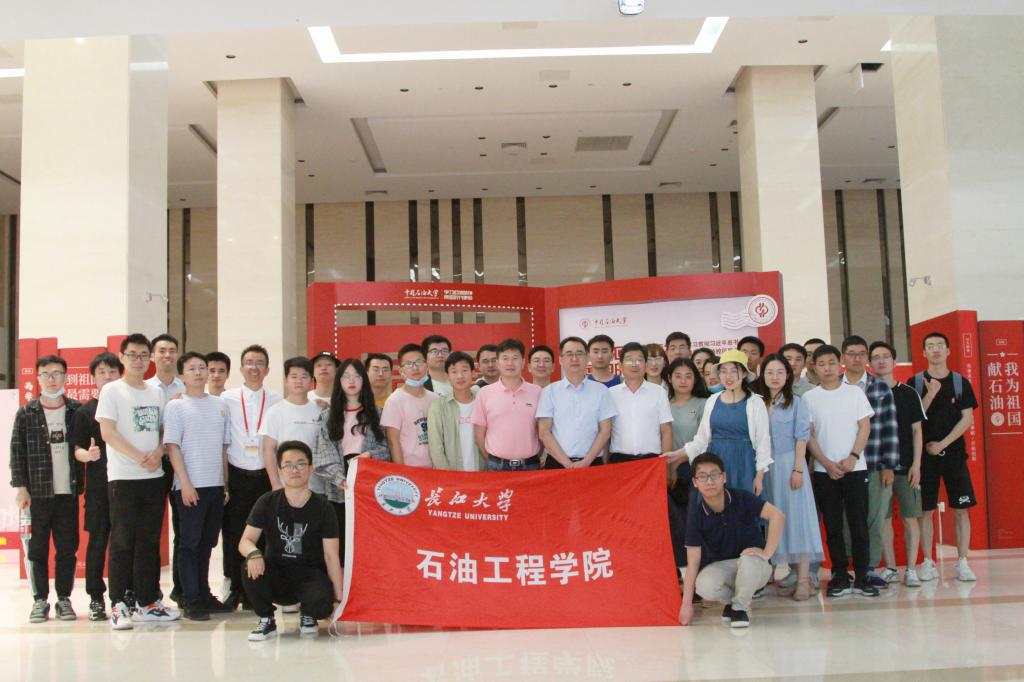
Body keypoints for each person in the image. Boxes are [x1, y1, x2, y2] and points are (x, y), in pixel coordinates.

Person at [97, 333, 180, 629]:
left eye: (143, 355)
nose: (138, 360)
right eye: (132, 355)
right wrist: (139, 456)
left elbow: (162, 429)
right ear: (122, 357)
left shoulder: (155, 392)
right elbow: (108, 432)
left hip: (153, 477)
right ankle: (119, 604)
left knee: (148, 542)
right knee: (122, 541)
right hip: (124, 477)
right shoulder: (112, 390)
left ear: (150, 358)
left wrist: (157, 453)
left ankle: (147, 602)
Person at [240, 441, 343, 641]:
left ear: (310, 469)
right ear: (280, 471)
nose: (294, 470)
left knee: (321, 604)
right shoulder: (267, 501)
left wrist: (338, 599)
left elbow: (331, 556)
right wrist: (253, 553)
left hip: (309, 576)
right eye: (288, 465)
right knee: (248, 566)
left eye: (301, 464)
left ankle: (309, 613)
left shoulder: (323, 507)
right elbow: (246, 540)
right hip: (277, 575)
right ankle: (266, 619)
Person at [10, 354, 83, 623]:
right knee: (37, 550)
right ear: (38, 378)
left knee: (67, 549)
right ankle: (39, 600)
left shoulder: (76, 410)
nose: (51, 379)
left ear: (65, 376)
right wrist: (21, 487)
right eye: (46, 374)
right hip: (37, 494)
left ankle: (64, 599)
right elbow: (17, 452)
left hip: (67, 493)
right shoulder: (26, 412)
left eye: (57, 373)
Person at [803, 344, 878, 598]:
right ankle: (840, 575)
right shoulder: (809, 398)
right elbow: (809, 435)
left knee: (859, 524)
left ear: (839, 364)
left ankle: (863, 575)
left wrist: (853, 457)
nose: (827, 368)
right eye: (821, 364)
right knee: (833, 526)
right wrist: (825, 463)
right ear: (815, 367)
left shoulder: (854, 393)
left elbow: (865, 427)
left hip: (855, 468)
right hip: (824, 471)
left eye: (831, 363)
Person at [679, 453, 786, 629]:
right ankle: (736, 601)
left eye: (714, 474)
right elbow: (693, 563)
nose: (709, 481)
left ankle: (739, 609)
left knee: (749, 561)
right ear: (695, 482)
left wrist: (768, 552)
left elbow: (777, 516)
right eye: (703, 476)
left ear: (724, 477)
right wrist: (686, 605)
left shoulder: (741, 498)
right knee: (703, 585)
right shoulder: (695, 516)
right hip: (725, 568)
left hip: (755, 565)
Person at [163, 352, 232, 621]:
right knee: (189, 544)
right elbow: (172, 447)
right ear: (181, 375)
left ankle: (204, 593)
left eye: (202, 367)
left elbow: (223, 448)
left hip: (215, 486)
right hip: (189, 486)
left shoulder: (220, 405)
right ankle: (190, 598)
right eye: (191, 368)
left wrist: (225, 484)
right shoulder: (176, 406)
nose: (199, 373)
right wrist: (185, 484)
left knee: (207, 543)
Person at [756, 354, 823, 601]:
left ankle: (804, 580)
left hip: (789, 466)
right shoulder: (756, 402)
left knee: (798, 520)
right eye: (769, 372)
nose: (774, 377)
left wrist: (797, 469)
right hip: (764, 468)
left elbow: (802, 438)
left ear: (788, 375)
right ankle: (775, 575)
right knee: (770, 520)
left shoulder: (796, 402)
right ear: (762, 375)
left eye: (780, 372)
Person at [913, 332, 979, 583]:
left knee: (961, 509)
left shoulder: (960, 382)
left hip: (954, 455)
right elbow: (914, 417)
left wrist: (943, 443)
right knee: (925, 510)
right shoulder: (915, 382)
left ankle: (962, 562)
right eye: (930, 346)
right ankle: (928, 561)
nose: (936, 349)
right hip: (924, 458)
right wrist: (930, 394)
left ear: (948, 350)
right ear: (924, 352)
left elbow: (967, 419)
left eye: (940, 345)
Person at [221, 344, 282, 610]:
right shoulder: (226, 399)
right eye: (249, 362)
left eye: (259, 363)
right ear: (241, 368)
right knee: (235, 532)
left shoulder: (277, 401)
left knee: (266, 534)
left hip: (265, 475)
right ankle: (236, 587)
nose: (254, 368)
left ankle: (260, 590)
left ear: (267, 369)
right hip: (237, 474)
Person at [314, 358, 389, 568]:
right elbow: (323, 453)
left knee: (368, 542)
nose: (352, 381)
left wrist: (369, 456)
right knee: (341, 541)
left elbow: (387, 450)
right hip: (339, 486)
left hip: (368, 484)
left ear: (364, 380)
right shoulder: (328, 416)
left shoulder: (377, 414)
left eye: (357, 376)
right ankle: (341, 585)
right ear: (339, 381)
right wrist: (340, 479)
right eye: (346, 376)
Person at [841, 335, 899, 588]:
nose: (856, 358)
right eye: (851, 353)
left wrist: (889, 465)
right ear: (843, 357)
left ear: (866, 357)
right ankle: (849, 567)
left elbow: (890, 428)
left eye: (861, 354)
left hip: (875, 463)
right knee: (846, 518)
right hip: (844, 465)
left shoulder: (879, 388)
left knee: (875, 517)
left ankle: (870, 567)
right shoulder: (833, 387)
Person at [670, 350, 772, 495]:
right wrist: (677, 454)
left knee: (743, 504)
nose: (728, 376)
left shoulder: (755, 402)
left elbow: (763, 441)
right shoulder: (712, 400)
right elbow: (701, 440)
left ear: (744, 373)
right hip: (715, 463)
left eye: (734, 371)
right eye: (723, 371)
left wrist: (759, 476)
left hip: (744, 464)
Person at [69, 351, 122, 621]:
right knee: (98, 542)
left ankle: (123, 595)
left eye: (112, 371)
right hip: (99, 488)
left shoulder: (127, 406)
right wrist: (87, 455)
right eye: (102, 372)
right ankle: (95, 597)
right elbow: (75, 449)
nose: (107, 376)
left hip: (126, 485)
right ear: (93, 377)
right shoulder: (85, 412)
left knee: (124, 543)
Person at [869, 340, 926, 587]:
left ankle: (911, 569)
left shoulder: (909, 393)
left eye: (885, 356)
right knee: (882, 519)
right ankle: (890, 567)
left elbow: (917, 431)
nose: (881, 361)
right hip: (878, 467)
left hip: (906, 467)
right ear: (870, 363)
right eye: (876, 357)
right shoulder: (867, 392)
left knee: (910, 517)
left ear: (894, 361)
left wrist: (916, 464)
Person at [536, 337, 616, 470]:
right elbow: (544, 432)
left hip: (592, 463)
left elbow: (605, 431)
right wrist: (567, 463)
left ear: (587, 358)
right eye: (569, 354)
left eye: (579, 353)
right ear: (561, 360)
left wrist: (587, 461)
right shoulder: (549, 392)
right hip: (557, 464)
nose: (574, 358)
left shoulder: (601, 390)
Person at [146, 333, 185, 604]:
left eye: (172, 350)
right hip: (152, 465)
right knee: (150, 530)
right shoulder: (145, 388)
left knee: (184, 530)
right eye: (162, 351)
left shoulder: (188, 387)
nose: (167, 355)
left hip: (182, 465)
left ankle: (182, 590)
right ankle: (150, 592)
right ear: (153, 356)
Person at [665, 357, 710, 571]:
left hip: (693, 468)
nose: (683, 381)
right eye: (678, 376)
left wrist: (676, 463)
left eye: (688, 376)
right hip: (664, 469)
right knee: (671, 521)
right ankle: (678, 569)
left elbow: (703, 441)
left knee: (692, 520)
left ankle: (697, 569)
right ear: (669, 378)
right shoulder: (662, 403)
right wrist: (668, 468)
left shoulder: (704, 403)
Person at [472, 339, 543, 471]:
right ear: (498, 363)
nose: (510, 363)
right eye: (505, 358)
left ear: (523, 362)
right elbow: (479, 435)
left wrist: (535, 457)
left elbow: (542, 431)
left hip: (530, 465)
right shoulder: (484, 393)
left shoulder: (537, 392)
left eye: (515, 358)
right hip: (496, 466)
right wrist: (493, 460)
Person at [260, 357, 323, 494]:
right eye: (294, 376)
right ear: (285, 380)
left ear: (312, 381)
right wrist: (275, 484)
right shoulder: (274, 411)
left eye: (304, 377)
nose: (299, 381)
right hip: (286, 486)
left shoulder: (320, 411)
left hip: (317, 486)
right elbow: (268, 450)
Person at [607, 343, 673, 464]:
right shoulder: (610, 394)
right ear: (620, 366)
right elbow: (606, 432)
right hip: (619, 461)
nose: (634, 364)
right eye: (629, 360)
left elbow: (666, 431)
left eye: (639, 360)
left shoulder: (659, 392)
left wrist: (666, 465)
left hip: (652, 461)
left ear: (645, 365)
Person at [381, 343, 438, 467]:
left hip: (436, 469)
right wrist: (402, 472)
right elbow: (393, 442)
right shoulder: (394, 401)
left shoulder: (435, 399)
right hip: (410, 469)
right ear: (401, 371)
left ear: (427, 366)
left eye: (419, 362)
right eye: (408, 364)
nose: (415, 368)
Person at [428, 352, 486, 471]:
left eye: (464, 370)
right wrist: (449, 477)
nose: (459, 376)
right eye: (454, 372)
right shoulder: (438, 406)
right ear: (448, 376)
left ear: (473, 373)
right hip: (452, 475)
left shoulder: (483, 401)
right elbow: (436, 447)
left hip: (482, 472)